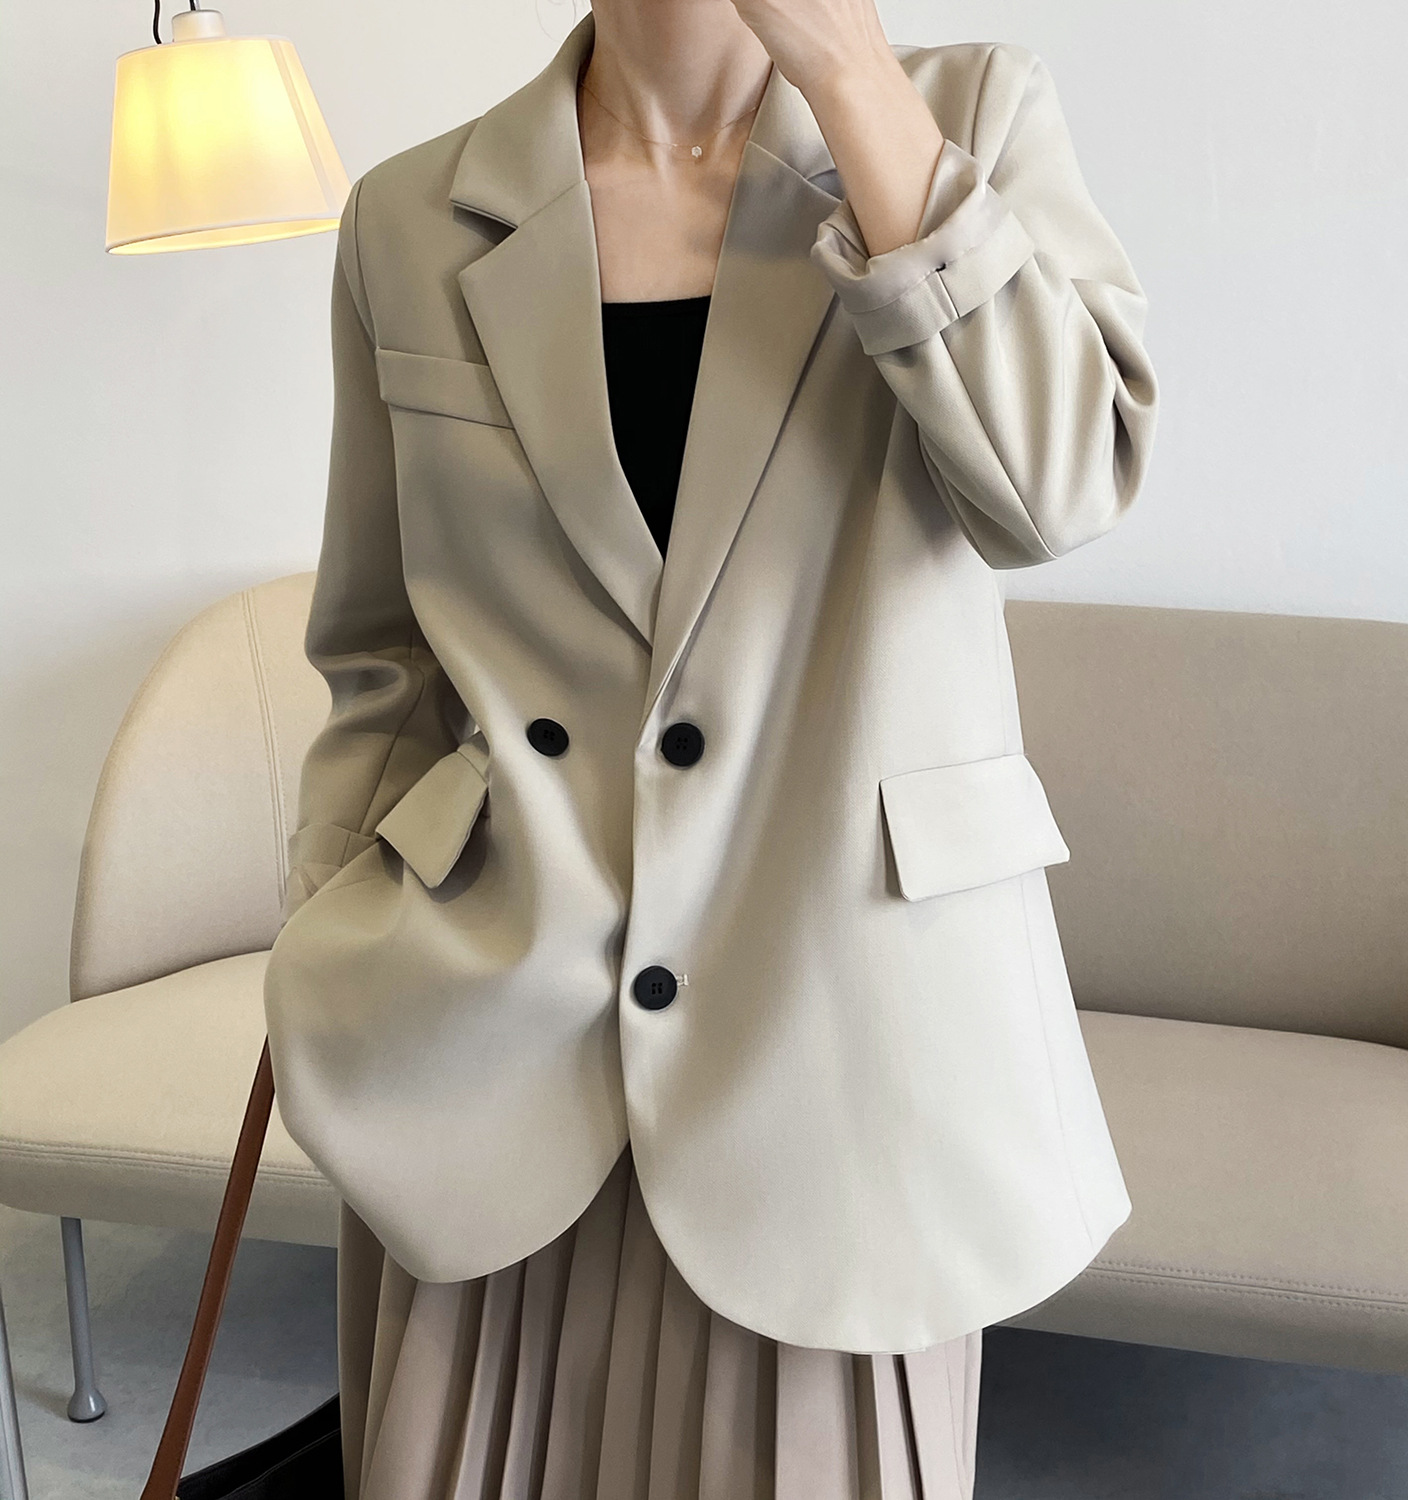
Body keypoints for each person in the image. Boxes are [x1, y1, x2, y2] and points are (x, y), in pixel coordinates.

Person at [262, 0, 1161, 1490]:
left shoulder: (961, 118)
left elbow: (1058, 487)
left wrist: (850, 77)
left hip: (839, 1052)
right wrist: (322, 935)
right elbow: (384, 657)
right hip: (489, 1052)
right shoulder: (410, 216)